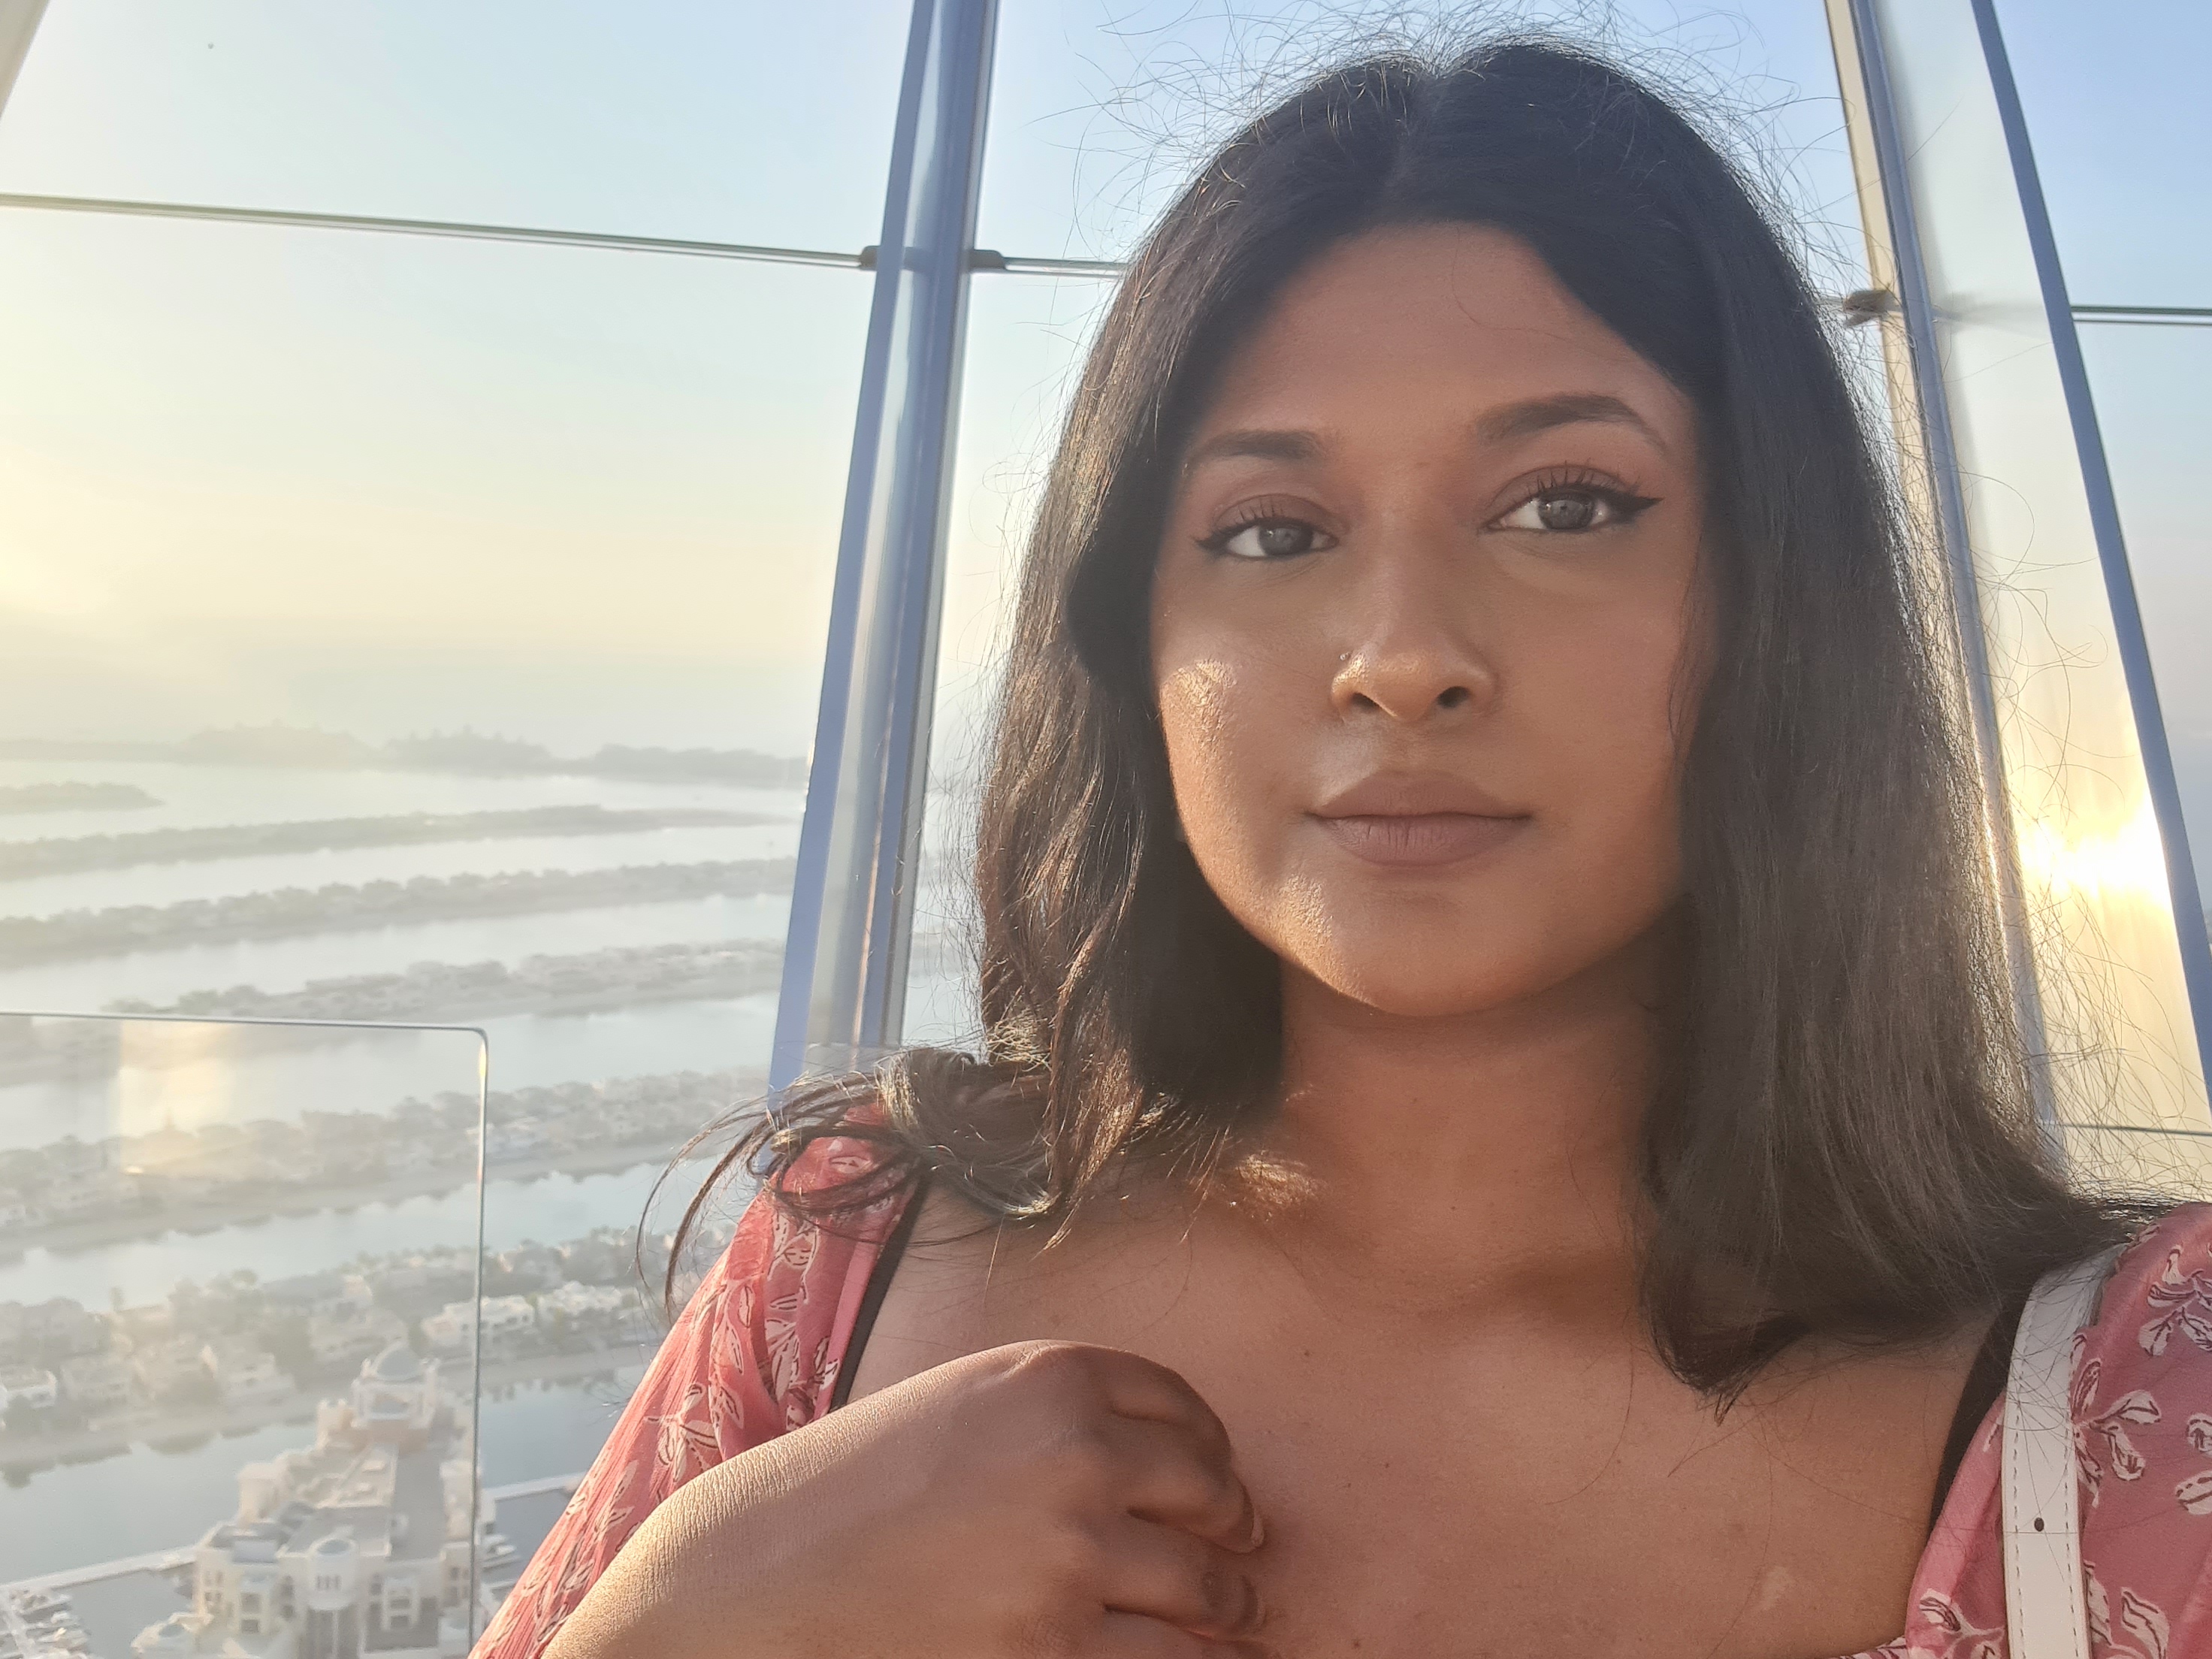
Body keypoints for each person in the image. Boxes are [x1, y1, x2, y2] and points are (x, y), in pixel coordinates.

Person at [478, 40, 2212, 1659]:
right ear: (1133, 640)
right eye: (1270, 531)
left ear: (1782, 600)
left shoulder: (2133, 1414)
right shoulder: (851, 1264)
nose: (1399, 655)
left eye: (1563, 506)